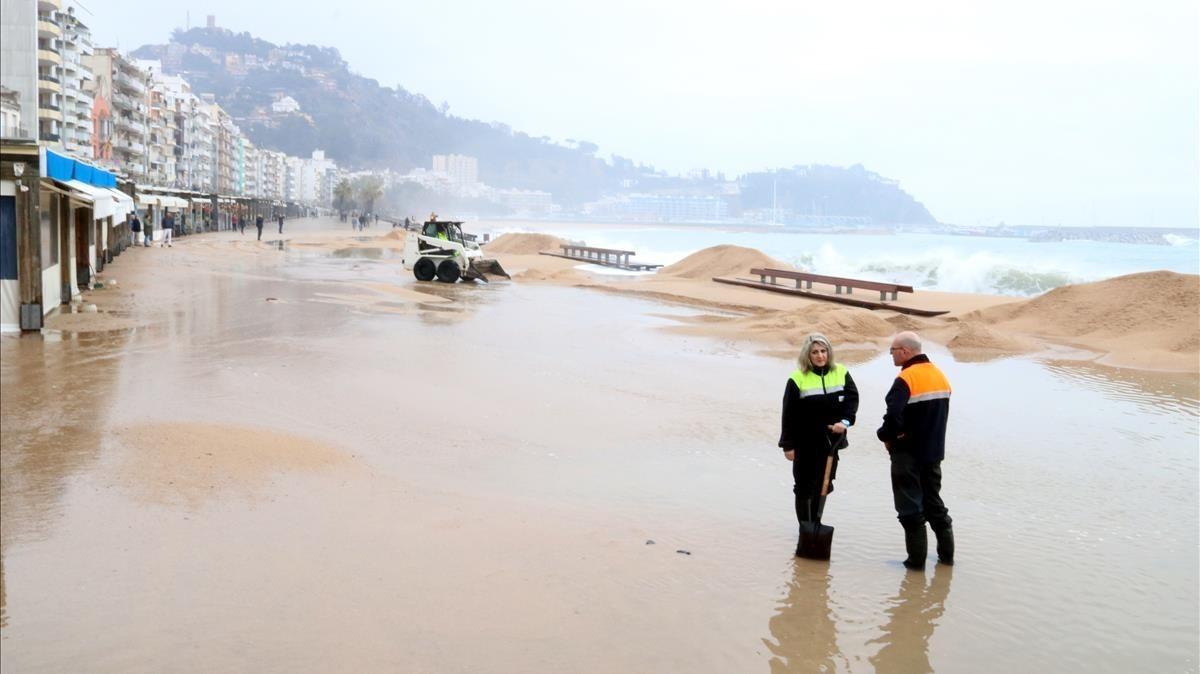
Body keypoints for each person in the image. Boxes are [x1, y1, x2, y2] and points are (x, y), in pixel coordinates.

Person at [876, 331, 954, 570]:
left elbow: (893, 416)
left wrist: (885, 436)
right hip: (933, 452)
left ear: (905, 351)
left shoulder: (906, 379)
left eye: (893, 350)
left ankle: (915, 563)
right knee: (934, 505)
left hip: (907, 454)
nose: (891, 355)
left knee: (910, 509)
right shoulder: (940, 376)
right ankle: (946, 560)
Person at [779, 333, 859, 556]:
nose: (820, 356)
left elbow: (852, 400)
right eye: (815, 352)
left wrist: (845, 422)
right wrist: (788, 445)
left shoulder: (841, 372)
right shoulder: (798, 378)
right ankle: (805, 529)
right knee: (803, 487)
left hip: (831, 444)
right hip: (805, 444)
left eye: (823, 351)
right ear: (808, 355)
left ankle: (816, 524)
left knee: (824, 486)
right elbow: (789, 414)